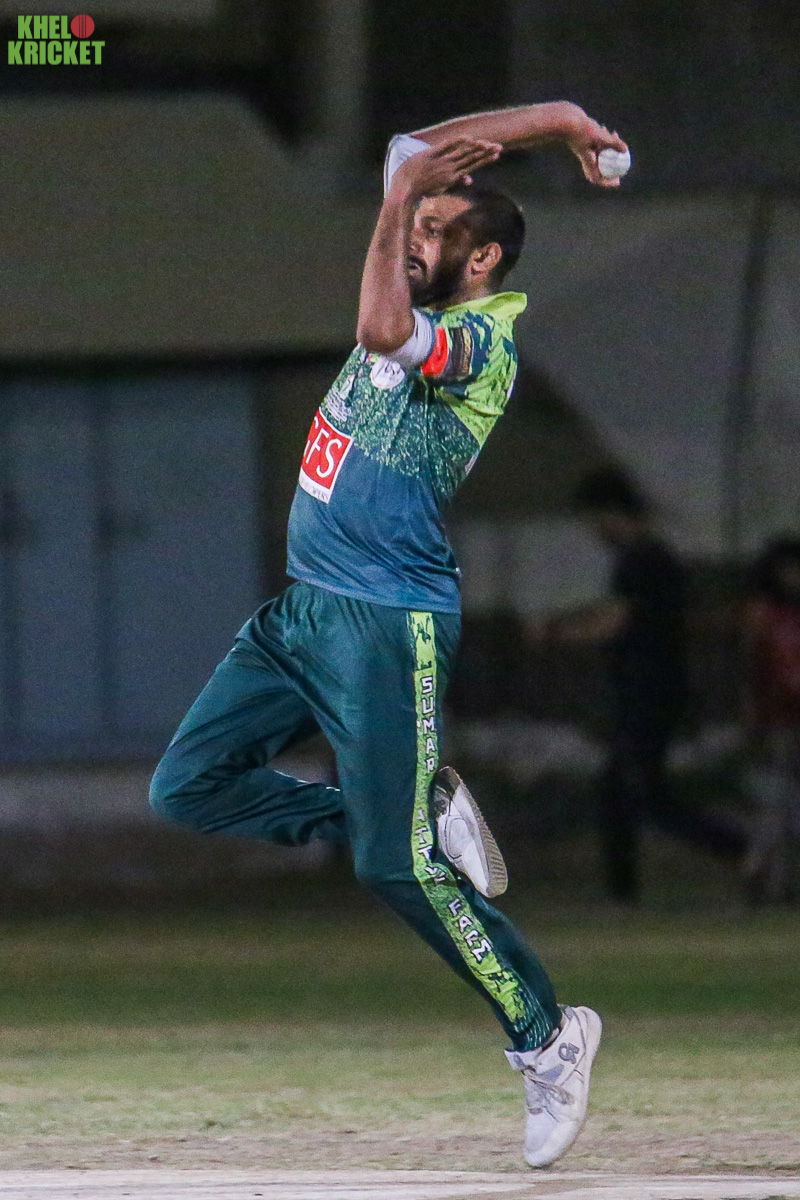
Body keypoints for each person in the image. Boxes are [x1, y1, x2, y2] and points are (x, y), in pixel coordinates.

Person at [149, 101, 628, 1168]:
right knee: (185, 788)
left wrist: (403, 199)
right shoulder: (419, 252)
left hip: (386, 620)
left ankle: (547, 1034)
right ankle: (413, 816)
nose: (413, 238)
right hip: (305, 610)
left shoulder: (481, 341)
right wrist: (560, 121)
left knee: (391, 870)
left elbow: (379, 329)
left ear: (481, 257)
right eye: (411, 227)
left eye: (433, 232)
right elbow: (411, 152)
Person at [537, 467, 746, 904]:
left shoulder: (643, 560)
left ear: (612, 512)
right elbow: (615, 609)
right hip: (653, 693)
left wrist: (556, 634)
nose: (595, 532)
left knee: (638, 796)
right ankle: (628, 892)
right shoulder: (650, 560)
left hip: (650, 694)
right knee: (627, 793)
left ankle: (742, 850)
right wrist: (564, 621)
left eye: (595, 520)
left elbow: (614, 621)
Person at [741, 537, 800, 903]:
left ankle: (775, 878)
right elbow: (757, 668)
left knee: (785, 802)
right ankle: (763, 873)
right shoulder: (766, 614)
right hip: (778, 719)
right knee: (775, 800)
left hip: (784, 716)